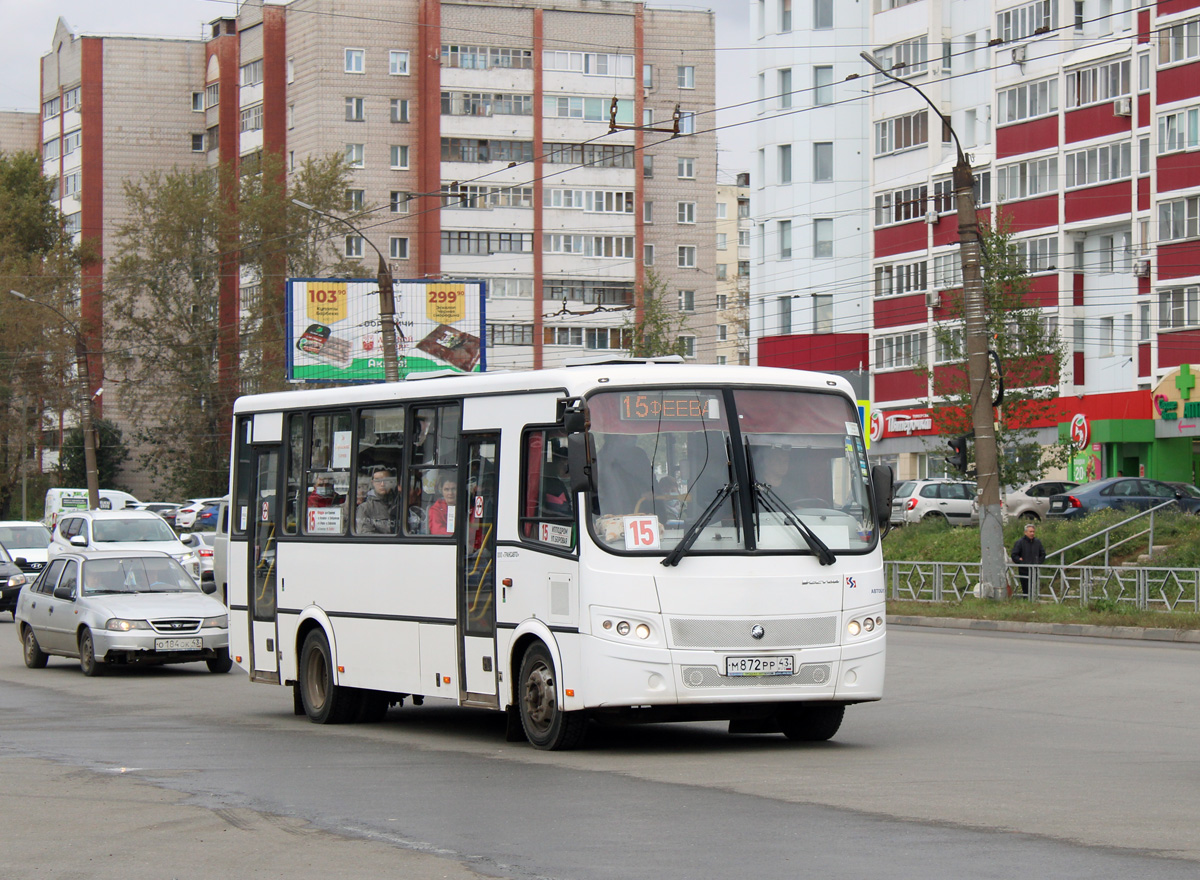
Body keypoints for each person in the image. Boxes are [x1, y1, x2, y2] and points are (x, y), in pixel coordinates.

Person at [356, 467, 399, 535]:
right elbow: (365, 535)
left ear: (392, 482)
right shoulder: (365, 508)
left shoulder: (399, 504)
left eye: (386, 480)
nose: (382, 484)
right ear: (373, 483)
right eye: (378, 480)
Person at [1010, 522, 1046, 598]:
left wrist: (1038, 562)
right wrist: (1020, 561)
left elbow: (1043, 554)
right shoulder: (1020, 542)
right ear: (1025, 532)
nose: (1032, 533)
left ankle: (1033, 599)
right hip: (1024, 569)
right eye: (1030, 531)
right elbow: (1014, 555)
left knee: (1033, 586)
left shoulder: (1037, 542)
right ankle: (1026, 600)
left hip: (1034, 568)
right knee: (1025, 587)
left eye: (1033, 531)